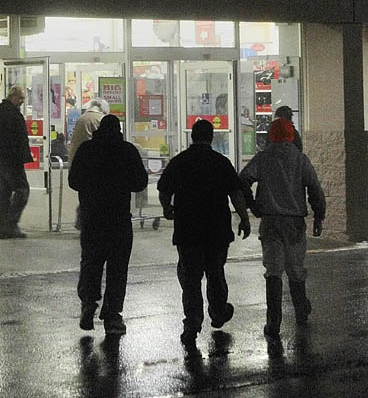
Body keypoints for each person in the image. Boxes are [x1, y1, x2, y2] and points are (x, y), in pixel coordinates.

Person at [157, 119, 251, 350]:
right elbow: (236, 193)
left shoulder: (180, 162)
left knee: (191, 278)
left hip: (188, 230)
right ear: (211, 137)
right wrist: (245, 219)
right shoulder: (220, 162)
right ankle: (218, 312)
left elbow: (164, 188)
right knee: (215, 272)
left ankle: (192, 323)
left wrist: (167, 208)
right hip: (216, 230)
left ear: (192, 137)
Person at [239, 117, 325, 338]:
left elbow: (243, 180)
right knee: (296, 270)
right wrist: (318, 217)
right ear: (291, 135)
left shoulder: (263, 158)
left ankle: (273, 322)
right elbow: (315, 189)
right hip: (295, 223)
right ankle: (301, 312)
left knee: (273, 272)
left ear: (271, 135)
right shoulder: (300, 159)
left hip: (270, 222)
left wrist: (253, 206)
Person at [68, 114, 148, 334]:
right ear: (119, 130)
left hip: (92, 218)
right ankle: (112, 316)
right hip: (118, 219)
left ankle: (88, 303)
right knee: (117, 268)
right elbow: (140, 182)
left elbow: (73, 181)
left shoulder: (86, 150)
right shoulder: (127, 150)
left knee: (91, 262)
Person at [0, 86, 33, 239]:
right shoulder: (9, 113)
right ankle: (10, 224)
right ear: (13, 96)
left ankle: (3, 227)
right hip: (11, 160)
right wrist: (21, 156)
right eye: (20, 98)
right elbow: (14, 139)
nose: (22, 101)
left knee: (5, 191)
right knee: (22, 189)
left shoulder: (2, 111)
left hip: (2, 159)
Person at [69, 99, 110, 229]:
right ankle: (84, 221)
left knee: (86, 195)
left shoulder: (82, 118)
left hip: (78, 163)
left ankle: (82, 221)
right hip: (94, 164)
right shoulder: (100, 119)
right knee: (96, 196)